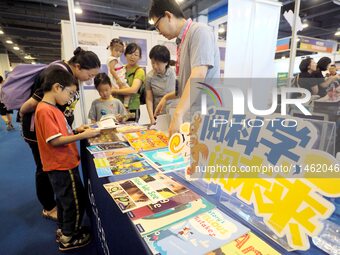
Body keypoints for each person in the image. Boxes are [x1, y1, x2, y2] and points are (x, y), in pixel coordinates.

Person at [20, 47, 100, 221]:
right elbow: (33, 103)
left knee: (52, 169)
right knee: (45, 168)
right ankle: (49, 207)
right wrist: (21, 113)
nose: (89, 80)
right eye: (90, 75)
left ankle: (60, 202)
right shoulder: (56, 73)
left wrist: (73, 129)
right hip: (40, 130)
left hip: (58, 129)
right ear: (78, 67)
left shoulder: (68, 76)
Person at [34, 67, 100, 251]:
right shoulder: (46, 110)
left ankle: (64, 230)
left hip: (60, 164)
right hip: (62, 165)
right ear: (57, 87)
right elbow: (55, 140)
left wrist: (77, 129)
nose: (70, 98)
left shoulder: (50, 108)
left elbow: (60, 131)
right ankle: (70, 237)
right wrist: (83, 135)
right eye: (70, 93)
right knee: (74, 201)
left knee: (64, 201)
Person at [149, 0, 220, 135]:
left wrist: (177, 114)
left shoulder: (199, 31)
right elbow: (184, 84)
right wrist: (166, 97)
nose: (159, 32)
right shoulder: (181, 41)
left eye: (158, 26)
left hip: (204, 116)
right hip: (192, 116)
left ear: (168, 16)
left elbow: (198, 75)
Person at [111, 43, 145, 121]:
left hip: (132, 108)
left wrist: (115, 91)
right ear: (125, 54)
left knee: (130, 130)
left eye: (136, 55)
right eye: (130, 53)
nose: (132, 57)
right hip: (118, 106)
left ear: (139, 57)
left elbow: (133, 90)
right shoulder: (120, 69)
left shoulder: (139, 71)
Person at [145, 45, 176, 124]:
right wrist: (152, 118)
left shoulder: (175, 73)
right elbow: (149, 99)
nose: (155, 66)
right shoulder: (149, 77)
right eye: (153, 63)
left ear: (166, 62)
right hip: (159, 115)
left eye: (158, 63)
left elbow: (181, 91)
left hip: (174, 112)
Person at [107, 38, 131, 107]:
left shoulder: (113, 59)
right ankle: (125, 106)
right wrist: (118, 79)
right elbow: (112, 70)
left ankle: (115, 107)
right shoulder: (113, 59)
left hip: (118, 78)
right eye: (116, 50)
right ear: (111, 49)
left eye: (120, 52)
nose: (118, 53)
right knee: (128, 91)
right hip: (118, 79)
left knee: (114, 96)